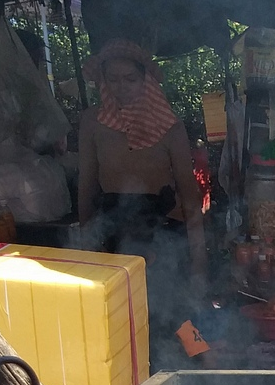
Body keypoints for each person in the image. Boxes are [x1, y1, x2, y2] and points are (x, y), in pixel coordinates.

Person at [77, 41, 206, 300]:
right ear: (103, 80)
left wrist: (199, 265)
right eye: (113, 79)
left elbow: (190, 196)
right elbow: (86, 185)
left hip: (164, 233)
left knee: (166, 310)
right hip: (115, 233)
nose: (121, 87)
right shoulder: (92, 122)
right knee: (120, 309)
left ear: (146, 80)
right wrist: (85, 244)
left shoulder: (170, 126)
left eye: (130, 79)